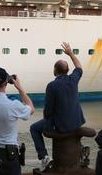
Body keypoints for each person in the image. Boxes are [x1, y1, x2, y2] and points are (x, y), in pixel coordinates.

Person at [30, 42, 85, 170]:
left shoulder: (52, 85)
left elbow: (48, 110)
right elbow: (79, 67)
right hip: (77, 122)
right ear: (67, 71)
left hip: (62, 125)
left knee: (34, 128)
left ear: (55, 70)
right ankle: (80, 151)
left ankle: (44, 157)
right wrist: (70, 53)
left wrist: (48, 124)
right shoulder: (74, 79)